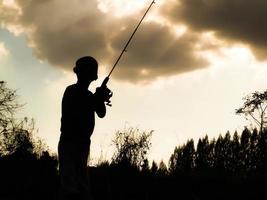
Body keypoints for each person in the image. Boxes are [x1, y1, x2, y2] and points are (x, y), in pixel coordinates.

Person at [58, 56, 112, 200]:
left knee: (81, 183)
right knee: (71, 185)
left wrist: (99, 97)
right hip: (69, 141)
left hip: (82, 143)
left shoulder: (89, 95)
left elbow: (101, 113)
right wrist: (97, 97)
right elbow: (81, 107)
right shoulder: (71, 91)